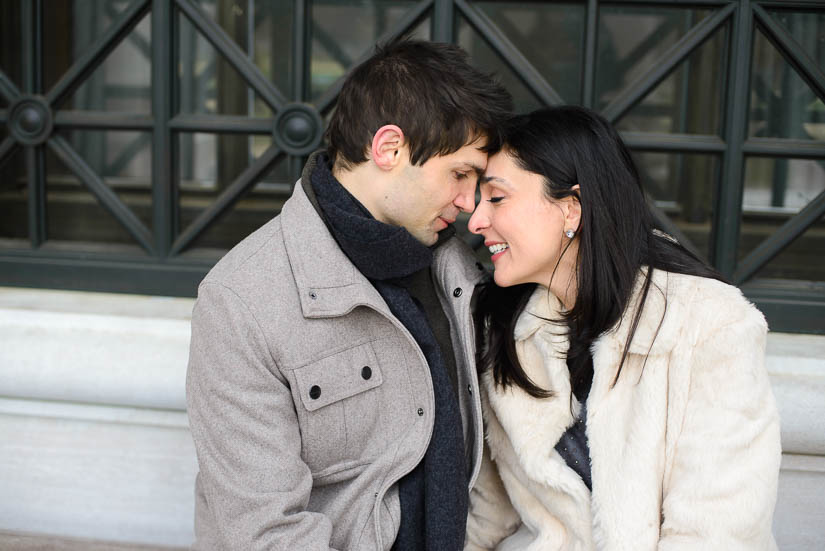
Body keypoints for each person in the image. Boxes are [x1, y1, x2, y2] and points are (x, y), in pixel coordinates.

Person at [185, 38, 512, 550]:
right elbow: (266, 533)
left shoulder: (461, 264)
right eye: (460, 174)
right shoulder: (242, 301)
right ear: (388, 148)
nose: (470, 203)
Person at [464, 106, 781, 550]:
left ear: (571, 209)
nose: (476, 221)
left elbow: (718, 532)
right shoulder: (505, 332)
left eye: (496, 198)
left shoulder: (711, 324)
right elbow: (488, 517)